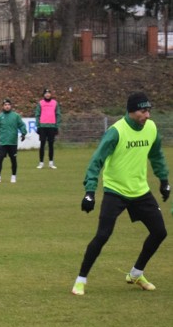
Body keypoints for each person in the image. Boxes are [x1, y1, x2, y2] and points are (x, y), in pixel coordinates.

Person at [71, 92, 169, 296]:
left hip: (140, 191)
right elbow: (96, 161)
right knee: (103, 235)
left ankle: (136, 273)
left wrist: (164, 180)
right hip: (115, 191)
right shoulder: (116, 132)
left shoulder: (151, 128)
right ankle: (80, 280)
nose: (148, 115)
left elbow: (157, 155)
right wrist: (90, 191)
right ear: (132, 112)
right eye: (144, 111)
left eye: (149, 110)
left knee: (160, 232)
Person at [0, 98, 27, 183]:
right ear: (3, 106)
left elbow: (21, 125)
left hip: (12, 142)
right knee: (0, 159)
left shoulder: (15, 116)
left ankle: (13, 176)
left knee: (13, 159)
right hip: (3, 142)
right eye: (5, 105)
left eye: (8, 105)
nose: (7, 106)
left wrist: (23, 133)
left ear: (11, 106)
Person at [35, 88, 61, 169]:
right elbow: (37, 115)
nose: (47, 94)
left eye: (49, 93)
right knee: (42, 145)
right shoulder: (40, 103)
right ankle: (41, 162)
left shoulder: (55, 103)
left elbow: (58, 115)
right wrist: (38, 126)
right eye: (46, 93)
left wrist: (56, 126)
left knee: (51, 145)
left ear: (51, 94)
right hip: (43, 126)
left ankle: (51, 162)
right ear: (43, 95)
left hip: (52, 126)